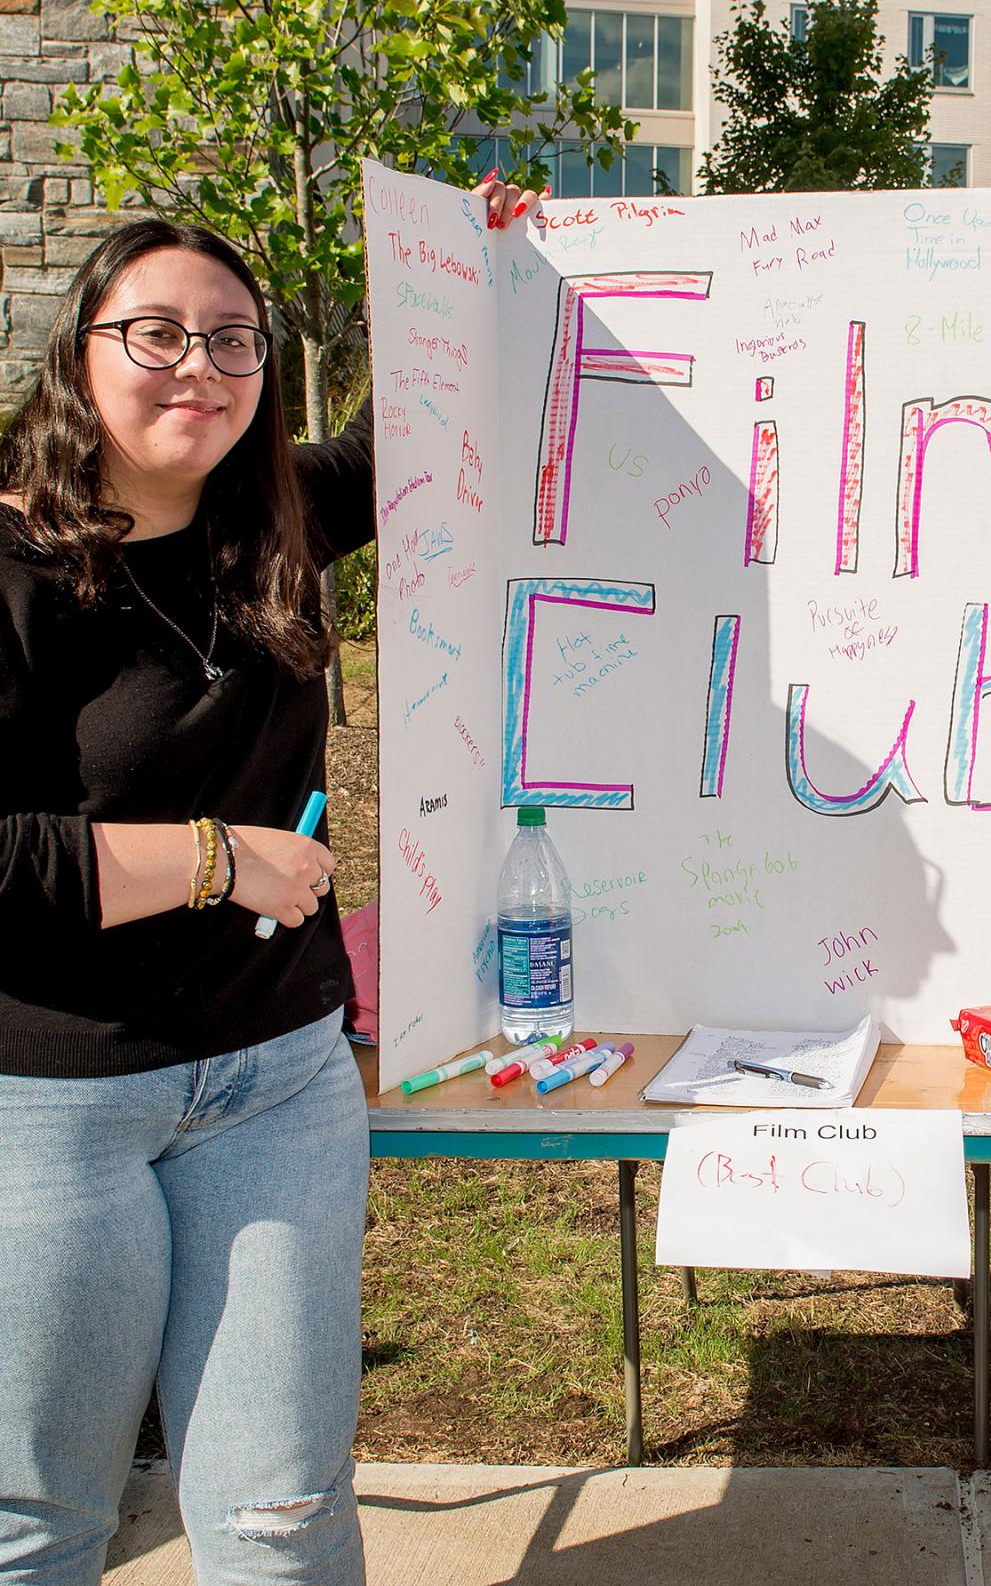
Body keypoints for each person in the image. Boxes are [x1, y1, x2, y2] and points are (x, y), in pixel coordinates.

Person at [0, 175, 531, 1585]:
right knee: (40, 1521)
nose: (202, 366)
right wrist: (214, 859)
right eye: (157, 333)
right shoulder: (11, 564)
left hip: (278, 1084)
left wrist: (480, 254)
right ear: (80, 352)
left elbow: (421, 424)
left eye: (236, 340)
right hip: (52, 1102)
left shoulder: (274, 516)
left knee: (284, 1518)